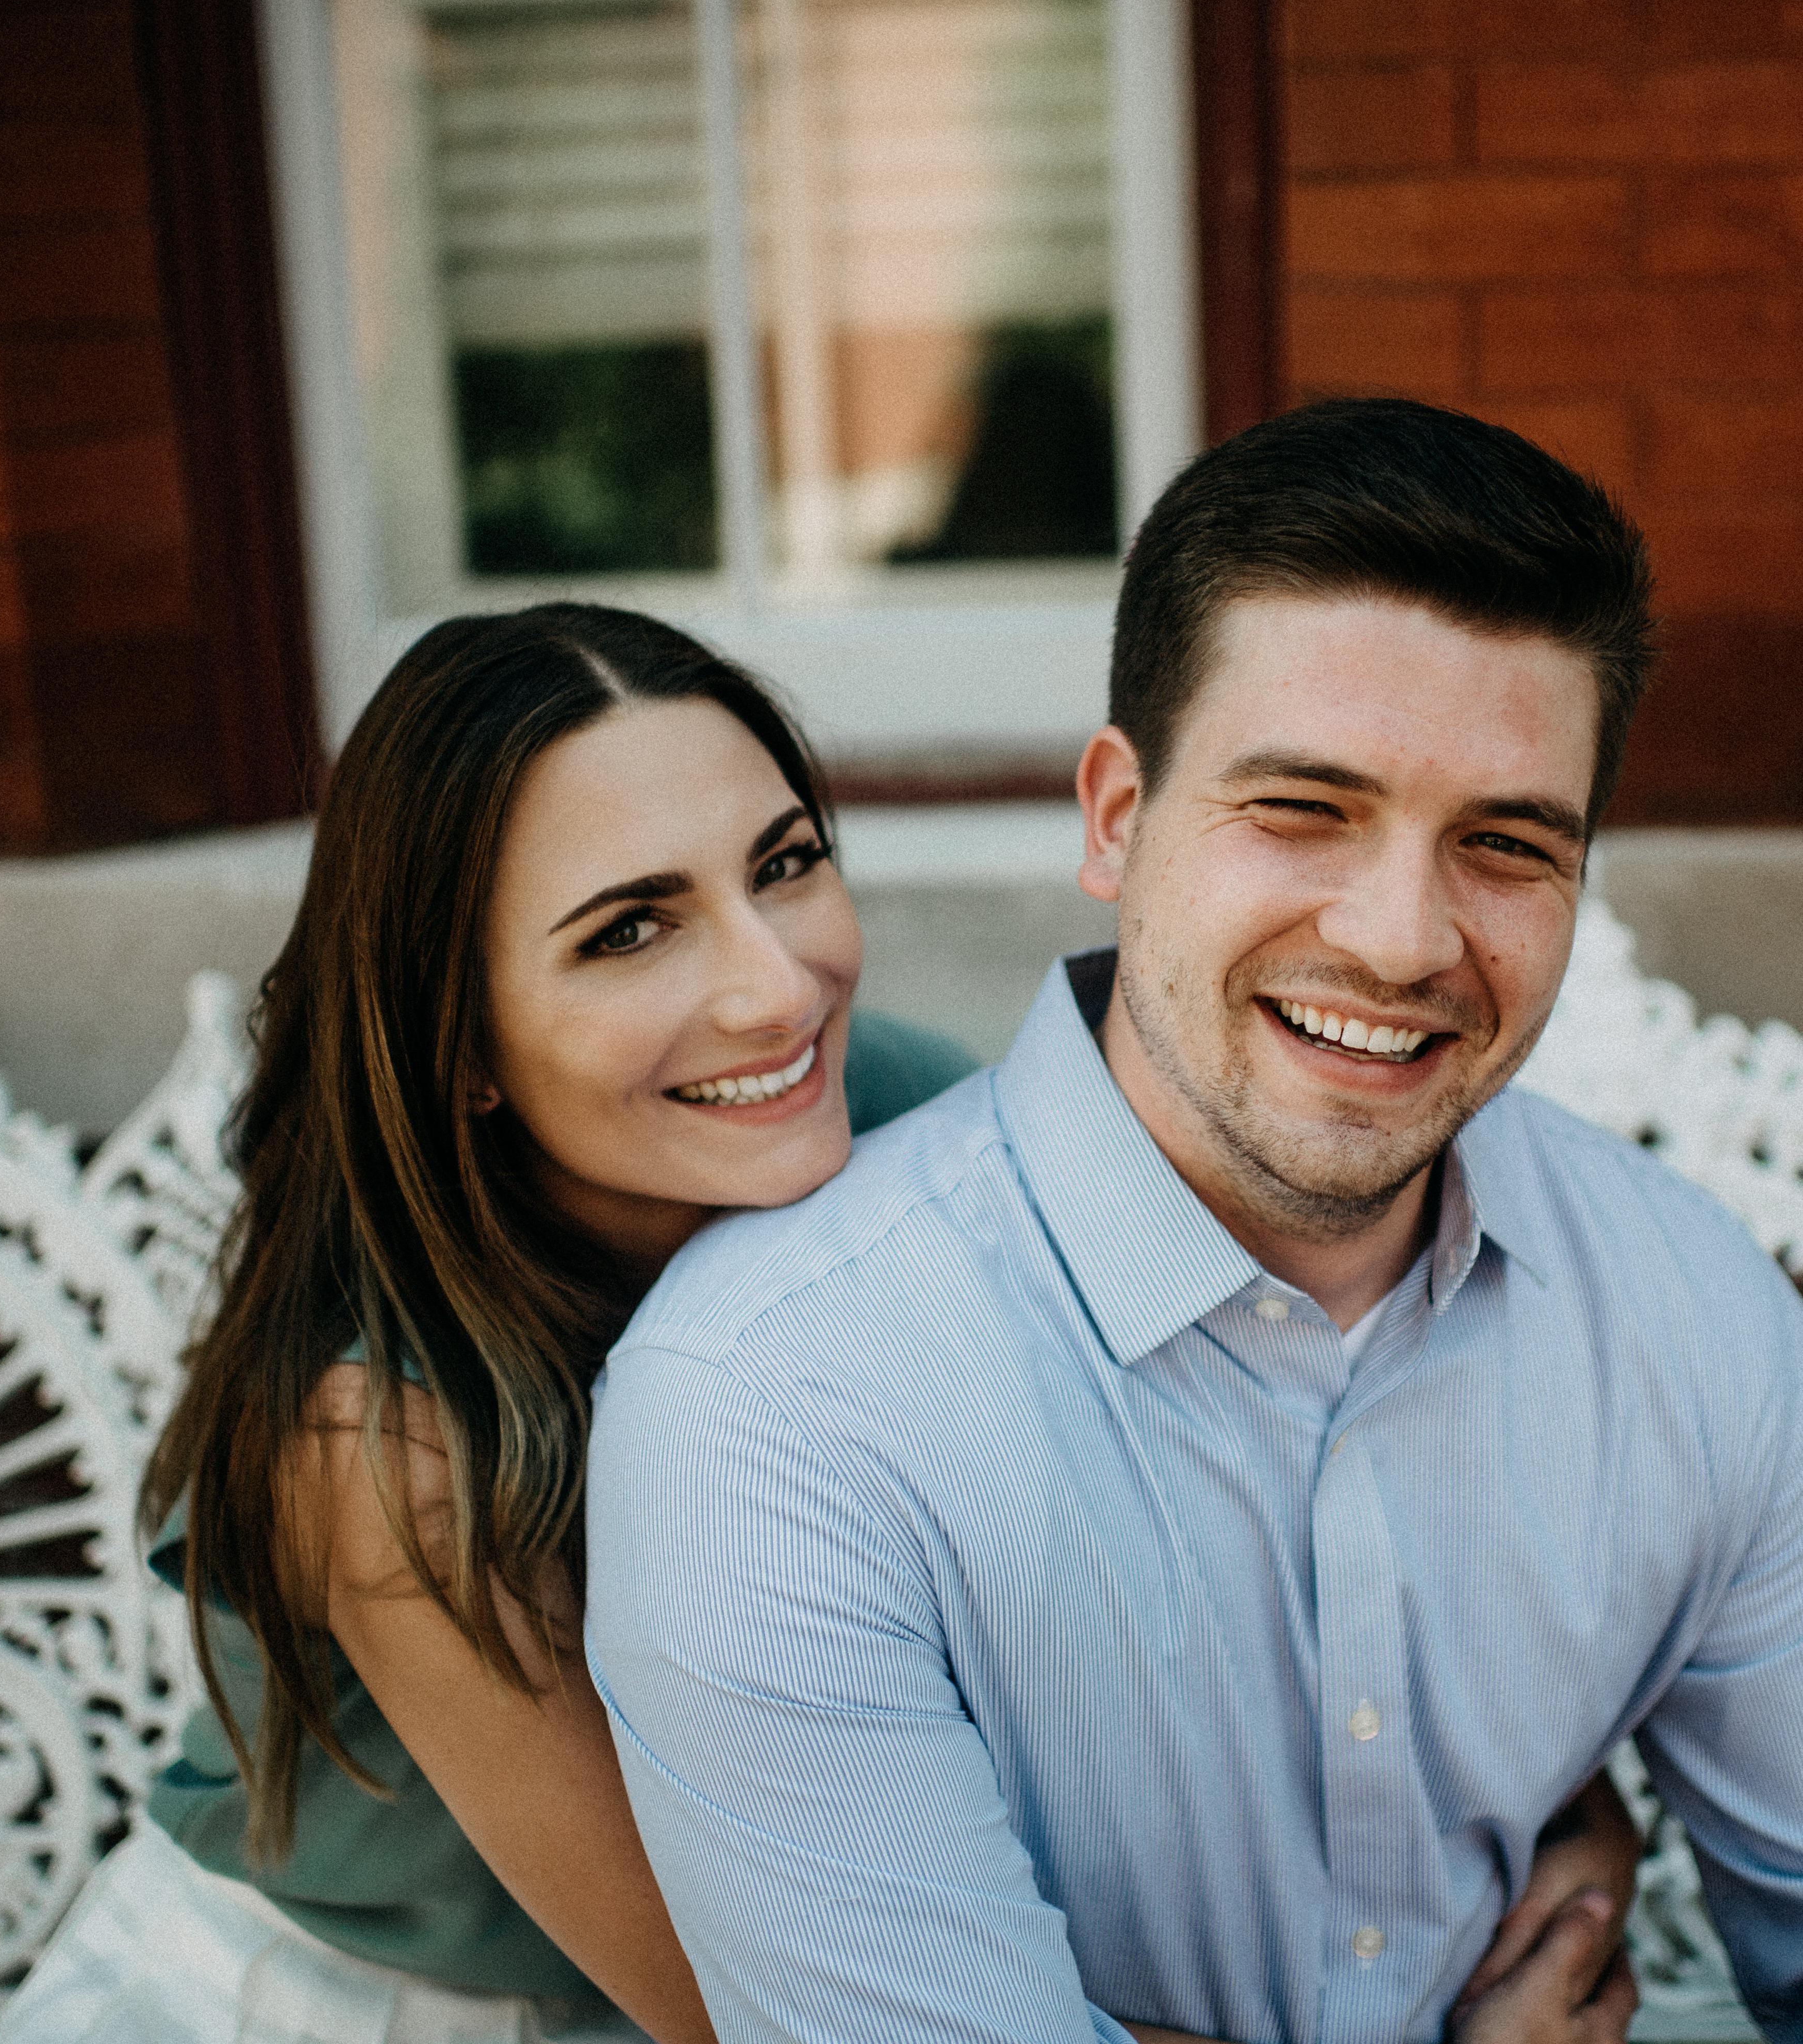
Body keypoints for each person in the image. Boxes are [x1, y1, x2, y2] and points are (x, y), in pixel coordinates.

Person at [0, 599, 1635, 2044]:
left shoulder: (900, 1113)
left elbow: (1256, 1503)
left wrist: (1529, 1816)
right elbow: (762, 2007)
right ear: (462, 1044)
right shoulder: (384, 1448)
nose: (779, 989)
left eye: (784, 867)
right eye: (629, 930)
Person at [586, 401, 1803, 2044]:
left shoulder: (1695, 1311)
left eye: (1507, 844)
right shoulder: (774, 1409)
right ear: (1115, 818)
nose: (1401, 940)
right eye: (1304, 808)